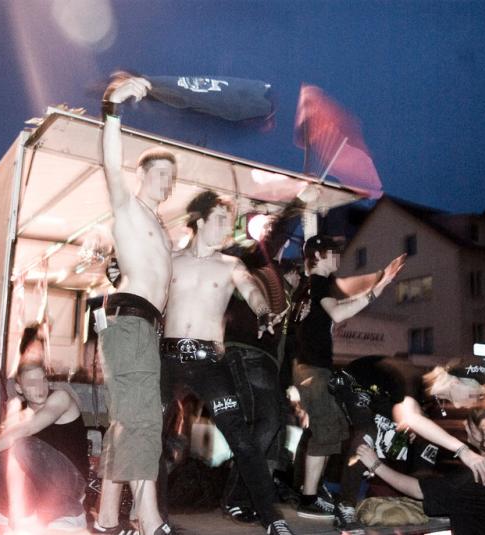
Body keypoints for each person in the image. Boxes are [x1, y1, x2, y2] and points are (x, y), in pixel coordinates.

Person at [160, 190, 296, 535]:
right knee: (155, 435)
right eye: (219, 220)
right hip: (169, 357)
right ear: (201, 221)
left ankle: (271, 517)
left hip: (208, 362)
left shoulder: (230, 264)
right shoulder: (171, 260)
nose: (225, 228)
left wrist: (264, 312)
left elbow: (250, 289)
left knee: (241, 435)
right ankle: (155, 517)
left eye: (229, 221)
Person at [95, 74, 175, 535]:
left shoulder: (162, 229)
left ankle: (108, 518)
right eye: (160, 173)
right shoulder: (127, 208)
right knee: (143, 418)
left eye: (172, 176)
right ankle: (149, 520)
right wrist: (112, 106)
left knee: (129, 417)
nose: (167, 181)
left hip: (145, 329)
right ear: (142, 175)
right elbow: (110, 163)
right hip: (128, 321)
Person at [289, 235, 406, 524]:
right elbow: (340, 312)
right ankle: (308, 497)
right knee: (328, 430)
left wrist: (380, 284)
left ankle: (308, 489)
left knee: (334, 428)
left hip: (311, 369)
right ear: (321, 254)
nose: (339, 256)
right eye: (334, 251)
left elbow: (340, 303)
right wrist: (379, 288)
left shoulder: (311, 287)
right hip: (312, 369)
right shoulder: (318, 283)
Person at [221, 192, 309, 523]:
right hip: (246, 350)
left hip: (262, 358)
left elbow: (287, 346)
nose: (295, 274)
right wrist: (298, 205)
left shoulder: (279, 289)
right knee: (267, 423)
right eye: (294, 271)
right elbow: (273, 239)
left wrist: (288, 383)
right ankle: (237, 494)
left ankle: (250, 495)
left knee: (268, 427)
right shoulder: (253, 261)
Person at [331, 356, 485, 530]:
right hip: (351, 381)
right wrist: (462, 450)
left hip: (379, 396)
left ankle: (423, 498)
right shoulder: (412, 379)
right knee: (368, 433)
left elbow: (411, 419)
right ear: (455, 383)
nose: (473, 403)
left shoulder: (429, 396)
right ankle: (345, 505)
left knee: (415, 442)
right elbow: (409, 416)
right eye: (472, 395)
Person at [0, 327, 88, 531]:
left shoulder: (60, 399)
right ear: (19, 388)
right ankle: (6, 513)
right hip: (41, 488)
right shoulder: (23, 411)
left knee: (17, 442)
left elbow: (25, 432)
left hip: (71, 483)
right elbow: (7, 440)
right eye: (32, 383)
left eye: (43, 380)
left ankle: (69, 511)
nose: (40, 387)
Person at [356, 409, 485, 534]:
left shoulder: (477, 475)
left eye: (471, 424)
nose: (465, 423)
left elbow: (417, 490)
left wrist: (375, 464)